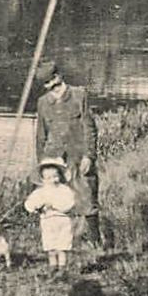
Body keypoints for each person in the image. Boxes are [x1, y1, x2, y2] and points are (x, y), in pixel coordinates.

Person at [33, 62, 101, 246]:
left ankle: (96, 244)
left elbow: (89, 128)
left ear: (60, 75)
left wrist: (89, 155)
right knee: (55, 202)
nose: (52, 85)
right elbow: (41, 136)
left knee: (87, 200)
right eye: (47, 83)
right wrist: (42, 165)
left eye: (54, 79)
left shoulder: (79, 95)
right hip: (54, 161)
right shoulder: (43, 103)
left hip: (78, 158)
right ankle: (60, 245)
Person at [23, 158, 77, 270]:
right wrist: (37, 206)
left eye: (55, 176)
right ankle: (53, 267)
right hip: (48, 221)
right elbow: (29, 204)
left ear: (60, 176)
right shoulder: (40, 192)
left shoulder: (64, 190)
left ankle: (62, 268)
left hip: (63, 220)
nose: (52, 180)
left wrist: (55, 206)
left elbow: (70, 203)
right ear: (42, 179)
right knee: (50, 245)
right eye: (48, 178)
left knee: (62, 246)